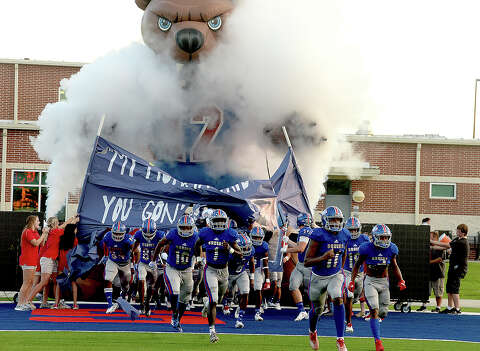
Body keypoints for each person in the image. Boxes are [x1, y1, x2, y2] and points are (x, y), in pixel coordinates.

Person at [350, 224, 406, 351]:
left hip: (384, 282)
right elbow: (357, 265)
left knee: (383, 312)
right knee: (374, 310)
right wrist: (352, 281)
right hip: (370, 281)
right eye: (382, 237)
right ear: (375, 237)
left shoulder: (392, 249)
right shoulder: (366, 248)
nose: (385, 240)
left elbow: (394, 266)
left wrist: (401, 280)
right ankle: (377, 341)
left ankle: (375, 320)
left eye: (386, 237)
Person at [304, 206, 350, 351]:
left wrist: (340, 270)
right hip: (318, 277)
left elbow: (344, 254)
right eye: (332, 219)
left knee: (337, 297)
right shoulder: (318, 235)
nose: (336, 222)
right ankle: (312, 331)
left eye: (338, 219)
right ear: (325, 220)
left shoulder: (345, 234)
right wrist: (323, 257)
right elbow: (307, 261)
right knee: (317, 309)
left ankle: (340, 339)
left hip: (335, 275)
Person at [197, 209, 241, 343]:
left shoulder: (230, 234)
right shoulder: (205, 232)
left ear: (226, 221)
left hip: (224, 271)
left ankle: (206, 304)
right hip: (210, 269)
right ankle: (212, 331)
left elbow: (240, 254)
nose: (220, 223)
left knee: (218, 299)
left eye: (222, 220)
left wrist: (230, 249)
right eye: (217, 220)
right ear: (211, 221)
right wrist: (199, 258)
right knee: (214, 300)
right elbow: (196, 244)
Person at [152, 214, 198, 331]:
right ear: (178, 227)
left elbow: (200, 249)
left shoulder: (196, 237)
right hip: (172, 267)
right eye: (183, 227)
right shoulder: (173, 233)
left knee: (185, 298)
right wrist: (153, 259)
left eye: (188, 227)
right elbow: (160, 244)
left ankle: (177, 318)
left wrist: (200, 258)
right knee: (174, 291)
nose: (185, 230)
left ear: (192, 227)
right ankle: (174, 313)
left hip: (187, 269)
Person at [26, 215, 78, 308]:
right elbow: (66, 226)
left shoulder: (53, 231)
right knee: (44, 282)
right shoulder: (55, 231)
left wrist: (73, 217)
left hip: (53, 259)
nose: (59, 223)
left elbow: (64, 225)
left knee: (55, 281)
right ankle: (28, 301)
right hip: (47, 258)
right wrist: (74, 219)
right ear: (54, 223)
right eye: (57, 222)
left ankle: (57, 303)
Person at [98, 221, 135, 314]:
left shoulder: (128, 239)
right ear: (112, 232)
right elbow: (105, 245)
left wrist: (133, 264)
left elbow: (135, 252)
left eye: (120, 234)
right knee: (107, 279)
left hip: (125, 263)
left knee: (126, 285)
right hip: (113, 260)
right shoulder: (108, 236)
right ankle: (110, 305)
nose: (118, 236)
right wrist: (106, 255)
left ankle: (122, 299)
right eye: (116, 233)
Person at [432, 224, 469, 314]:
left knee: (454, 288)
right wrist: (432, 247)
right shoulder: (457, 239)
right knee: (449, 288)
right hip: (453, 267)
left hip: (459, 268)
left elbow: (446, 244)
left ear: (462, 232)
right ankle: (449, 307)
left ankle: (457, 309)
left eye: (458, 230)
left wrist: (432, 241)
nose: (456, 231)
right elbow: (447, 247)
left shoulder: (463, 242)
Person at [16, 215, 49, 311]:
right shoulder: (28, 232)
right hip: (27, 260)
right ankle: (20, 304)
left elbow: (42, 244)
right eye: (37, 221)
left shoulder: (35, 232)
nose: (39, 222)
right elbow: (36, 243)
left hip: (33, 260)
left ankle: (25, 302)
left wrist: (45, 233)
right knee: (26, 283)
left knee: (30, 283)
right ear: (33, 222)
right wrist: (43, 234)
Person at [343, 217, 370, 332]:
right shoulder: (343, 239)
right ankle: (348, 321)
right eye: (351, 230)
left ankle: (348, 308)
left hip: (360, 273)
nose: (353, 232)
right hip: (348, 271)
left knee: (356, 296)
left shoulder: (364, 239)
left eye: (355, 230)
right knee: (349, 295)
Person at [285, 213, 312, 322]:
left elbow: (300, 248)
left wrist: (286, 250)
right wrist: (287, 241)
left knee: (310, 290)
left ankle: (313, 311)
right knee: (293, 285)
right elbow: (299, 247)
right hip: (301, 264)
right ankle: (302, 311)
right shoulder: (308, 231)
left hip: (309, 265)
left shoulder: (304, 231)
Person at [132, 219, 163, 316]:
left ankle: (147, 304)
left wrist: (162, 253)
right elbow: (135, 245)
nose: (148, 236)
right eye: (146, 234)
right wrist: (132, 252)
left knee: (151, 287)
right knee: (141, 281)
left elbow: (165, 245)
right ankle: (141, 304)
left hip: (153, 264)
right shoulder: (139, 234)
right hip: (143, 263)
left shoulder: (159, 235)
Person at [226, 232, 255, 328]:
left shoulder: (251, 250)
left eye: (247, 247)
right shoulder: (229, 254)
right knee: (226, 293)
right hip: (228, 273)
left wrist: (252, 277)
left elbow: (251, 262)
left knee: (246, 292)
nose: (246, 250)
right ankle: (226, 302)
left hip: (241, 273)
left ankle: (240, 319)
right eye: (244, 248)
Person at [417, 231, 445, 312]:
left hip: (438, 272)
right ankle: (424, 306)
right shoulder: (427, 247)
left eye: (431, 237)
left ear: (435, 238)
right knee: (425, 291)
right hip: (428, 272)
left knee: (438, 291)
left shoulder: (440, 247)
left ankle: (438, 307)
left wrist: (429, 262)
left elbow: (440, 259)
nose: (429, 239)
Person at [55, 223, 79, 309]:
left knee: (59, 283)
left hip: (62, 264)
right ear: (73, 230)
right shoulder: (75, 240)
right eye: (75, 229)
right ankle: (75, 304)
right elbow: (75, 253)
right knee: (73, 283)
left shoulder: (61, 239)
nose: (77, 231)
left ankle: (56, 304)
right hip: (71, 264)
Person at [251, 226, 270, 322]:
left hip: (257, 268)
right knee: (243, 291)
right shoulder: (246, 243)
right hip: (244, 268)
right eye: (255, 237)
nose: (257, 240)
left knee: (258, 289)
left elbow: (265, 263)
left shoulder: (264, 246)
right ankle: (239, 307)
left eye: (259, 237)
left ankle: (258, 311)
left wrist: (267, 279)